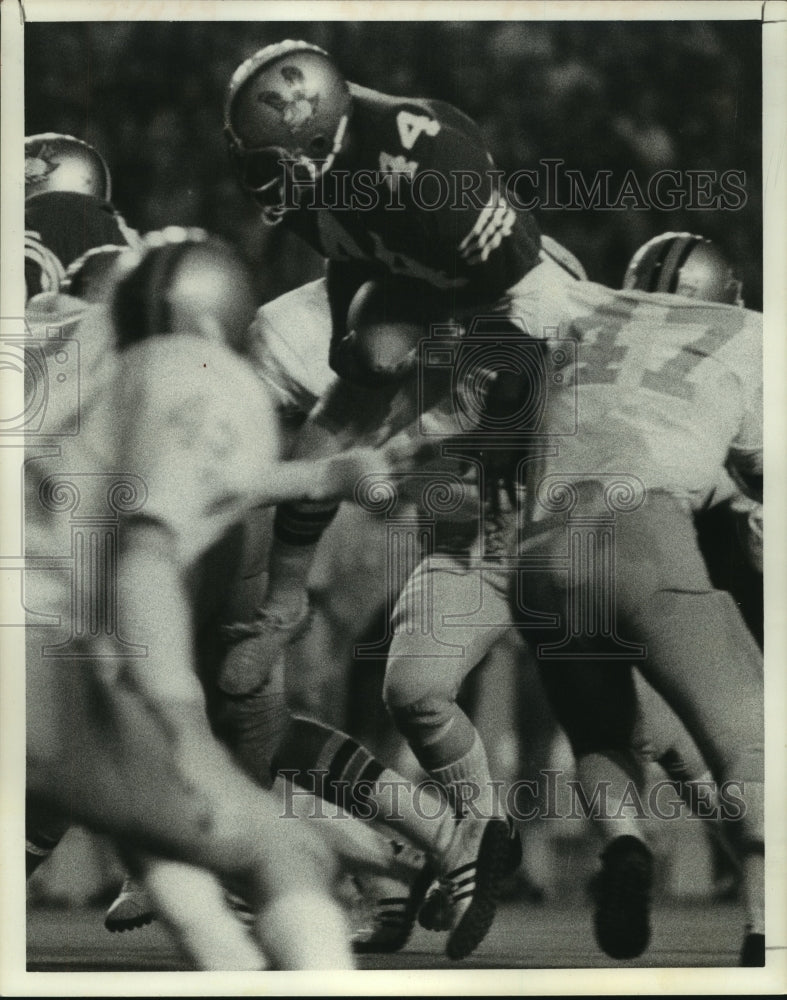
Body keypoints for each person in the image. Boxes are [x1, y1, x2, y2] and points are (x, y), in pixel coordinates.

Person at [223, 40, 584, 954]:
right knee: (344, 389)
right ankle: (281, 595)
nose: (263, 185)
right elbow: (365, 316)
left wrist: (502, 411)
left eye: (274, 160)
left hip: (513, 316)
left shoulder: (427, 170)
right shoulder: (337, 195)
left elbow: (531, 304)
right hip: (426, 309)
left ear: (318, 131)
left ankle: (438, 848)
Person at [24, 227, 425, 969]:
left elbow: (147, 481)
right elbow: (146, 554)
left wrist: (321, 477)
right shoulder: (205, 373)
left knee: (164, 848)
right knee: (281, 848)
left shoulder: (62, 359)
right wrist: (180, 719)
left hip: (49, 662)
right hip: (39, 667)